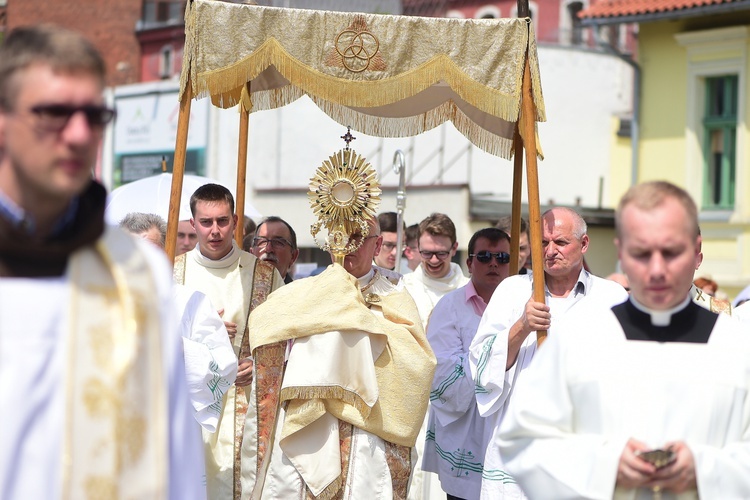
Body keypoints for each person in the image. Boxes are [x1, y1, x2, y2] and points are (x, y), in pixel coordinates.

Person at [0, 25, 202, 499]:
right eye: (54, 112)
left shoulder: (137, 272)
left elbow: (172, 450)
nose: (78, 134)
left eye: (94, 115)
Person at [498, 181, 750, 499]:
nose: (657, 269)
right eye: (641, 253)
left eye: (671, 252)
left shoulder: (737, 346)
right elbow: (523, 441)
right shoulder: (580, 341)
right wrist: (605, 466)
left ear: (695, 253)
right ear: (622, 254)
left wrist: (704, 469)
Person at [241, 215, 436, 499]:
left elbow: (417, 365)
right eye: (339, 237)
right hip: (308, 427)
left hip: (368, 433)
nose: (347, 247)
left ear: (378, 244)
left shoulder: (396, 298)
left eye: (357, 238)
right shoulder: (302, 293)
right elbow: (266, 328)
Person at [469, 207, 628, 499]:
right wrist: (522, 326)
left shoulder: (612, 298)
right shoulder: (511, 291)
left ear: (584, 244)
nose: (550, 250)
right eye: (543, 243)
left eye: (560, 242)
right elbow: (479, 367)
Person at [175, 183, 284, 500]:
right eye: (206, 222)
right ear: (192, 223)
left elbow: (282, 339)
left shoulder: (263, 275)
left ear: (235, 221)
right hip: (191, 404)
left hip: (246, 403)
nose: (215, 231)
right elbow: (153, 340)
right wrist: (199, 330)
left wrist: (259, 362)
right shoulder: (173, 273)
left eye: (222, 221)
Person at [119, 212, 238, 434]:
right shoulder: (99, 302)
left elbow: (223, 366)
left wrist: (180, 347)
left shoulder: (192, 302)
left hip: (170, 426)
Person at [422, 228, 511, 500]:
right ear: (470, 262)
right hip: (467, 436)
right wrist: (501, 355)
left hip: (509, 434)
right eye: (484, 256)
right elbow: (443, 376)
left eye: (502, 257)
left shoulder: (525, 306)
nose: (494, 263)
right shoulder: (449, 307)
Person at [404, 213, 469, 330]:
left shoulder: (469, 290)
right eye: (427, 253)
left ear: (454, 249)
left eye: (441, 253)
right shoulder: (403, 288)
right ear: (418, 248)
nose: (434, 260)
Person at [250, 215, 299, 284]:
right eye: (262, 241)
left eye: (278, 242)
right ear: (251, 253)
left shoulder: (299, 294)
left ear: (293, 256)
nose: (268, 249)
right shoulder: (239, 291)